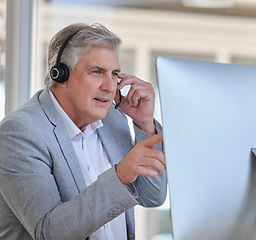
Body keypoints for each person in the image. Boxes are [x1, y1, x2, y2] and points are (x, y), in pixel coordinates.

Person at [0, 23, 167, 240]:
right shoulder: (20, 134)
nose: (110, 86)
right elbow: (49, 232)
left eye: (114, 74)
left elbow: (152, 196)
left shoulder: (113, 119)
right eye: (97, 72)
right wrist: (120, 176)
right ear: (60, 75)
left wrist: (144, 124)